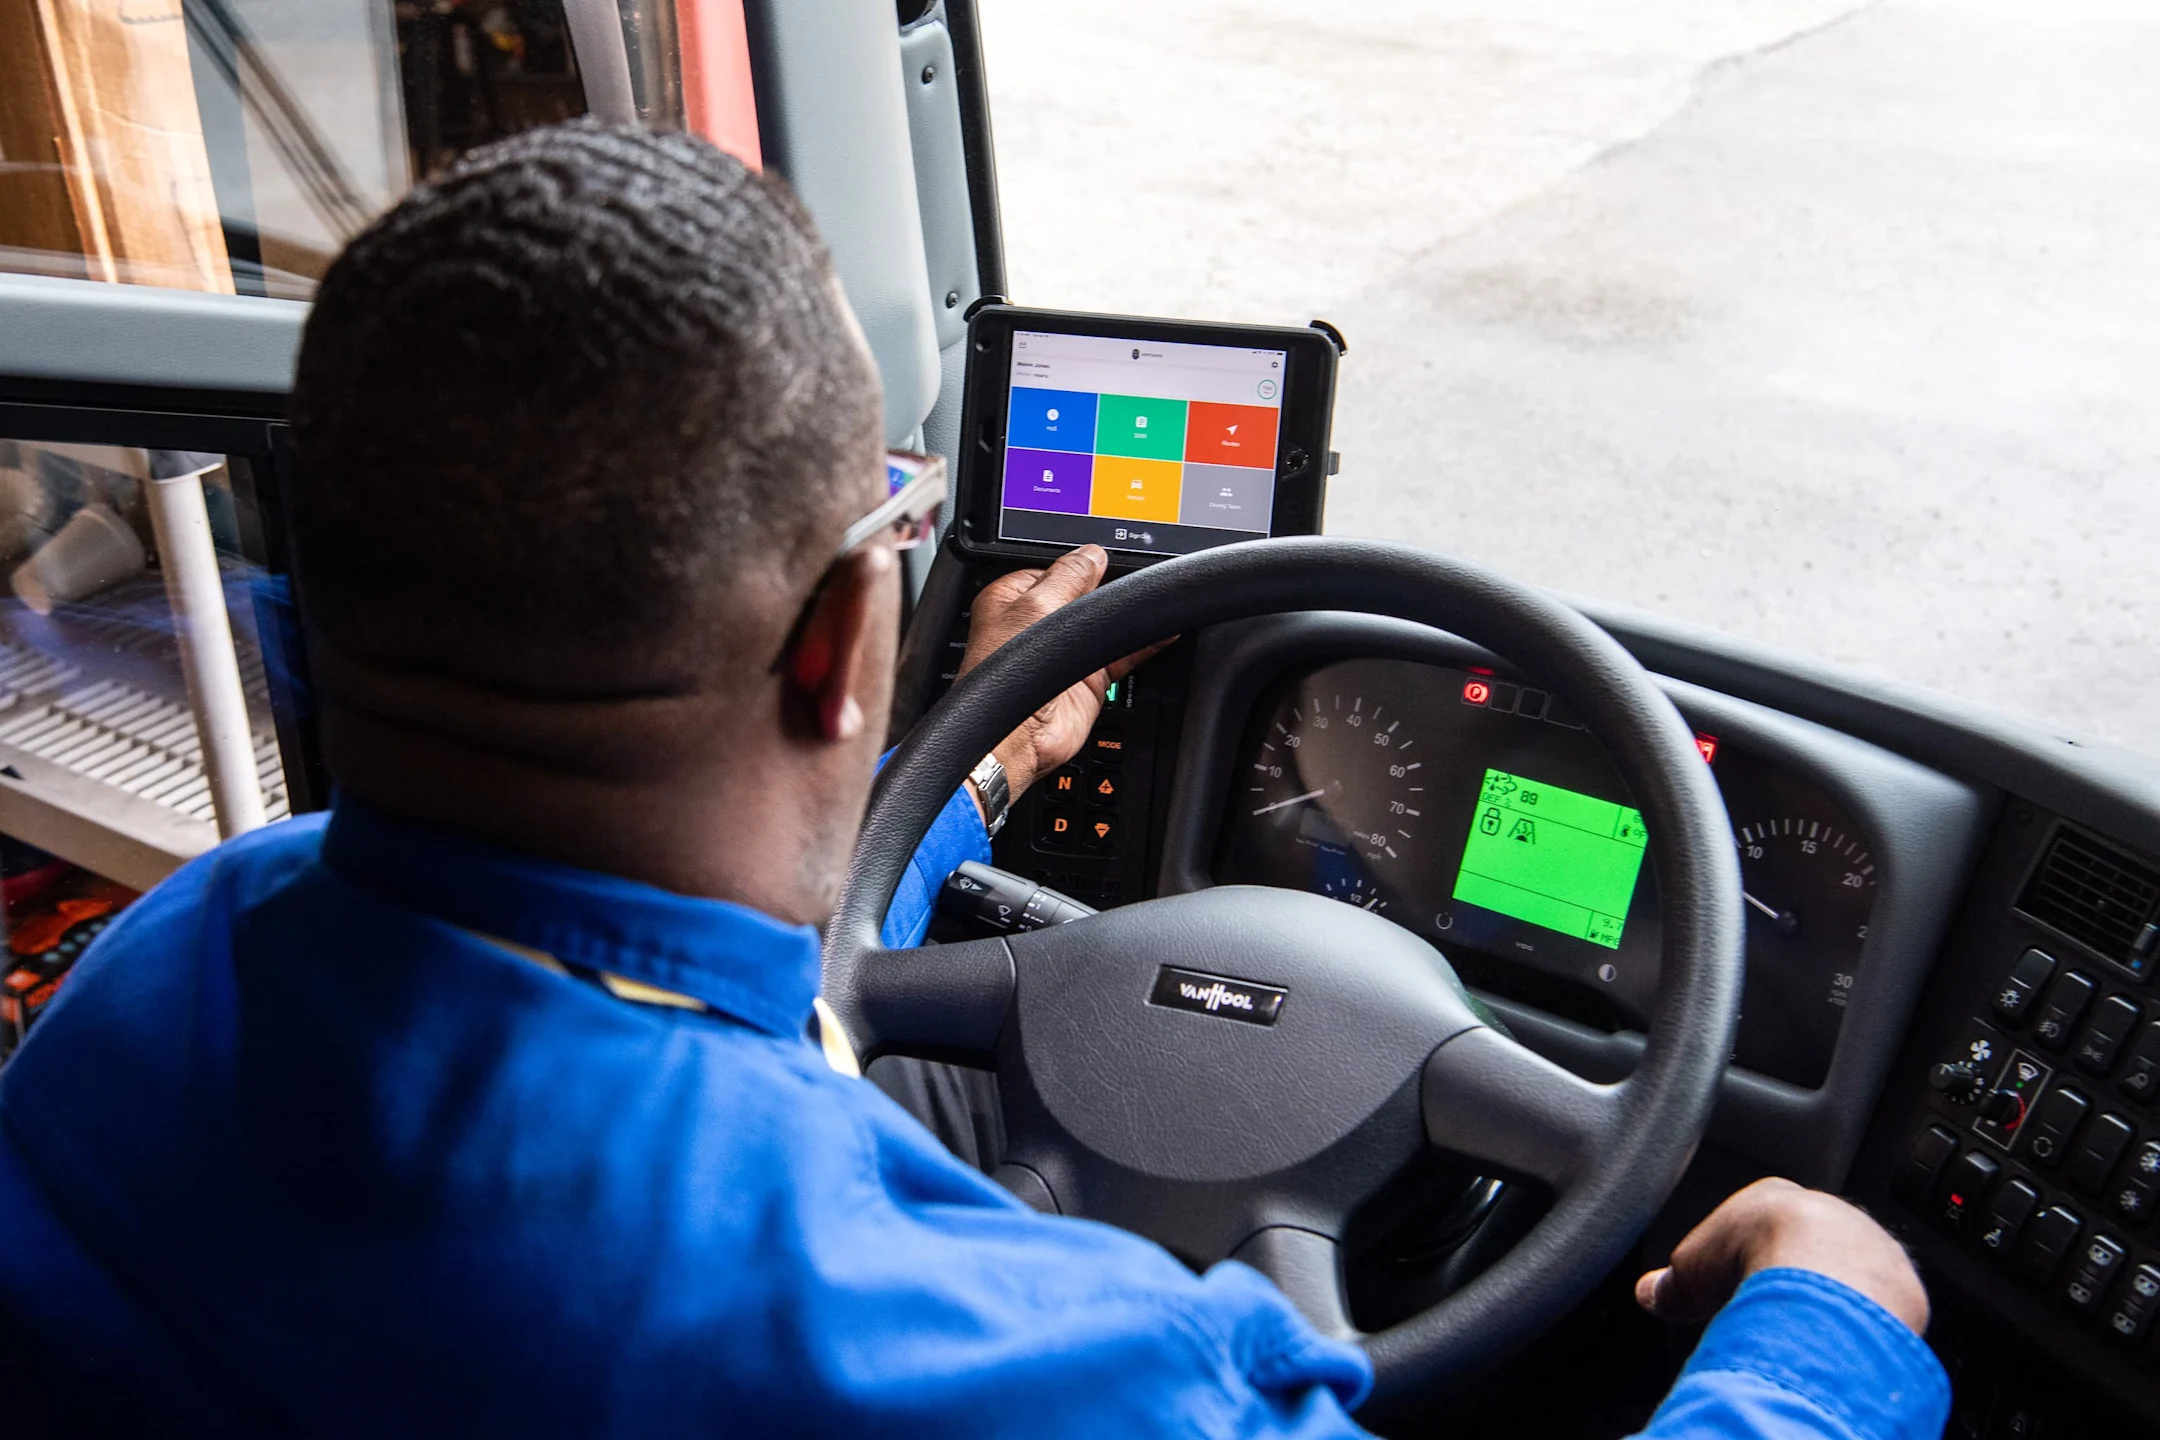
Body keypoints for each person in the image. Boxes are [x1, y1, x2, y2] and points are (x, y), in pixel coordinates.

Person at [0, 123, 1948, 1439]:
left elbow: (682, 955)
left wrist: (992, 764)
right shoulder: (1001, 1364)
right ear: (852, 646)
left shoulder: (146, 985)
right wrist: (1829, 1322)